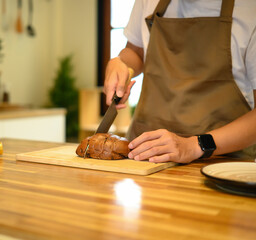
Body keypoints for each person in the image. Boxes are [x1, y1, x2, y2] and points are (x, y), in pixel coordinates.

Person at [103, 0, 256, 163]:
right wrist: (121, 62)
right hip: (145, 156)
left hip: (221, 164)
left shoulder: (249, 10)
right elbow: (136, 52)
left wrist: (194, 146)